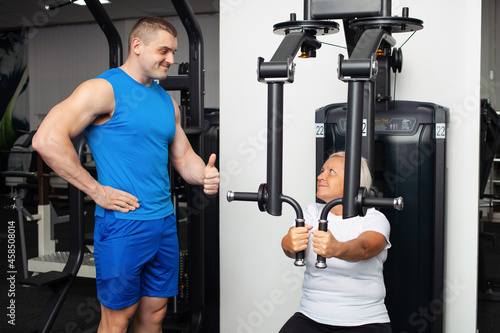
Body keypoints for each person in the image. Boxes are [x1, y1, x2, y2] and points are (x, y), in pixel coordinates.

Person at [32, 17, 220, 333]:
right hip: (123, 224)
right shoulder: (103, 90)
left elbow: (184, 157)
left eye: (173, 52)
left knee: (156, 313)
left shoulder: (166, 101)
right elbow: (46, 139)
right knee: (118, 319)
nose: (171, 59)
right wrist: (96, 190)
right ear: (137, 46)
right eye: (164, 50)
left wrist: (205, 175)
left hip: (164, 223)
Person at [279, 151, 392, 333]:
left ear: (353, 182)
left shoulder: (374, 218)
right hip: (310, 316)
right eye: (322, 170)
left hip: (364, 321)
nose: (320, 176)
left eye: (331, 171)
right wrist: (289, 243)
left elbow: (365, 248)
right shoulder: (311, 213)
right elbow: (289, 244)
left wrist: (337, 248)